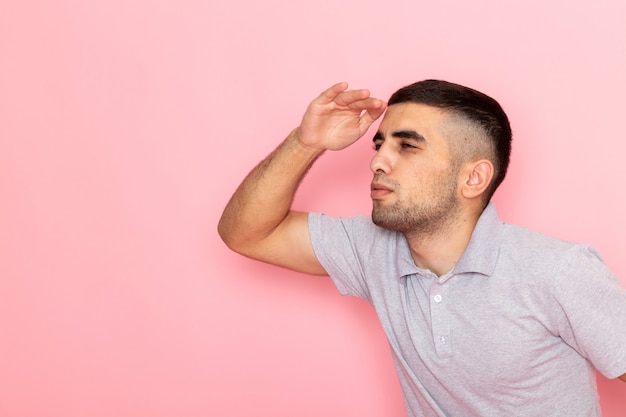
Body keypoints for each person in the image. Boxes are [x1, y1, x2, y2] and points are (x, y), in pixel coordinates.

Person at [218, 80, 626, 416]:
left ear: (473, 178)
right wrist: (306, 143)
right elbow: (246, 234)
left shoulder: (557, 270)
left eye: (407, 146)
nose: (378, 162)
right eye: (379, 145)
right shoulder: (372, 250)